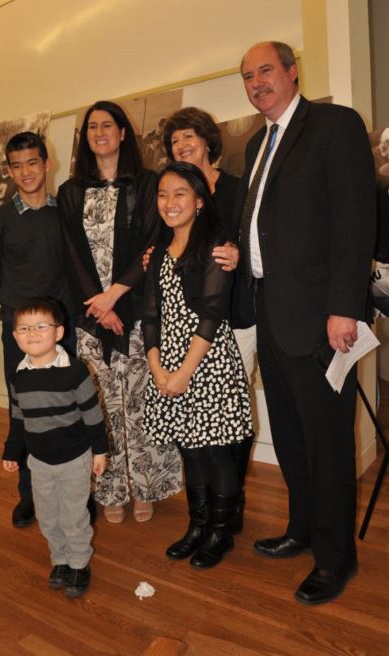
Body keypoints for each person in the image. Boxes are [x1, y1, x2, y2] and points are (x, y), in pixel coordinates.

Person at [236, 41, 375, 604]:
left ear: (293, 73)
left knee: (326, 440)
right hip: (269, 311)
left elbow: (354, 219)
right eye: (247, 76)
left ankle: (336, 558)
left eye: (266, 71)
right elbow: (262, 226)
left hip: (320, 317)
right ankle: (302, 529)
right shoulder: (254, 146)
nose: (256, 82)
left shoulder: (334, 125)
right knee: (291, 435)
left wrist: (344, 305)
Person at [58, 100, 183, 524]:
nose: (99, 132)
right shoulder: (70, 192)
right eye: (91, 127)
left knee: (141, 402)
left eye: (107, 125)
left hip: (137, 308)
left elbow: (152, 244)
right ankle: (111, 488)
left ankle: (146, 485)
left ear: (123, 132)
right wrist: (99, 305)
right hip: (93, 316)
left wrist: (115, 295)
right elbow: (71, 255)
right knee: (102, 405)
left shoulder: (147, 184)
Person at [143, 161, 254, 568]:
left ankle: (221, 534)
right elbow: (150, 314)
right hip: (168, 361)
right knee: (190, 450)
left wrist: (183, 373)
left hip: (205, 362)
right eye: (163, 194)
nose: (170, 203)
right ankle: (198, 525)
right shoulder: (156, 252)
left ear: (200, 201)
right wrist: (157, 368)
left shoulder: (217, 245)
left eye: (180, 194)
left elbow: (211, 313)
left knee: (216, 452)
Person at [162, 107, 256, 533]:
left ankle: (231, 502)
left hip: (237, 315)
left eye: (189, 136)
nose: (182, 144)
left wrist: (240, 253)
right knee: (198, 427)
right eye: (175, 140)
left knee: (230, 419)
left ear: (207, 140)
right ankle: (215, 512)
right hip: (192, 327)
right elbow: (162, 244)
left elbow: (260, 238)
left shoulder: (237, 187)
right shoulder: (172, 194)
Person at [0, 131, 75, 528]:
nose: (25, 172)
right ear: (9, 170)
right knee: (23, 411)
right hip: (18, 335)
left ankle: (72, 496)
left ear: (46, 163)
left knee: (66, 411)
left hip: (63, 332)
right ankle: (29, 494)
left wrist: (53, 322)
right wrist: (22, 318)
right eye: (16, 166)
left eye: (32, 162)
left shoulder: (65, 213)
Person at [2, 297, 107, 598]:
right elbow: (18, 418)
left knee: (73, 515)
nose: (32, 333)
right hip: (39, 462)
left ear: (59, 333)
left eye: (40, 326)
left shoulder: (75, 372)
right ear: (15, 336)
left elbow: (93, 414)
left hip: (75, 459)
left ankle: (78, 563)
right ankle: (60, 560)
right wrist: (12, 451)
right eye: (24, 328)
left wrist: (100, 451)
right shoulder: (18, 377)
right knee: (48, 516)